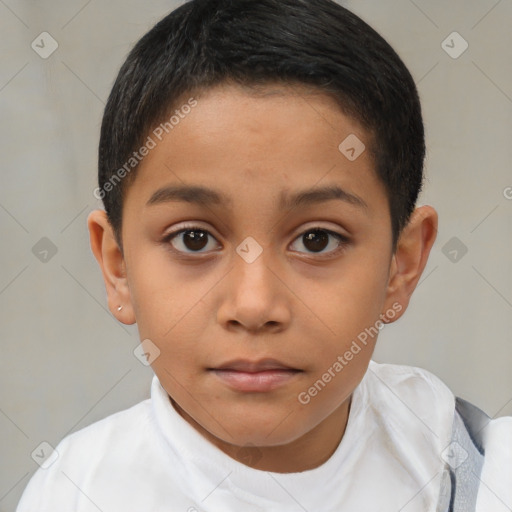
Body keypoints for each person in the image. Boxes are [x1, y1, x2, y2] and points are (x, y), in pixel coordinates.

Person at [16, 0, 512, 510]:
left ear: (400, 265)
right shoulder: (75, 493)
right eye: (194, 239)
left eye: (317, 239)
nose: (254, 306)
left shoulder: (478, 477)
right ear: (118, 267)